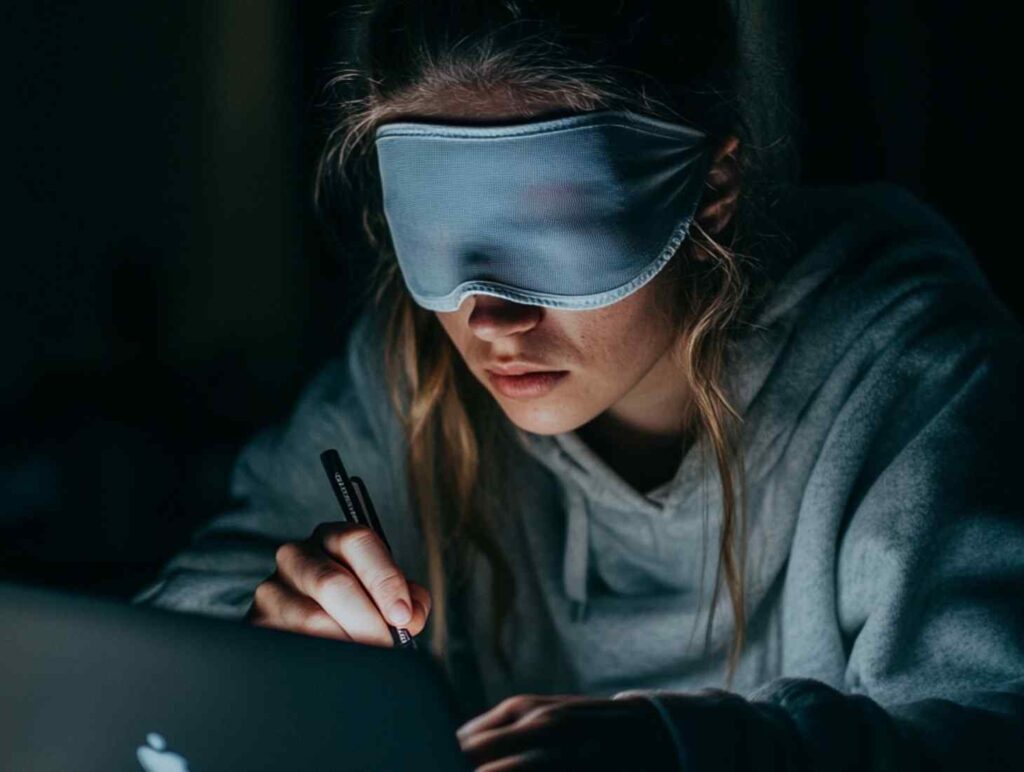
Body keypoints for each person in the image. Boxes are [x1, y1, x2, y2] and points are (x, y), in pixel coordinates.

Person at [132, 1, 1024, 769]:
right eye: (441, 235)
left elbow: (992, 728)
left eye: (552, 231)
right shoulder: (412, 375)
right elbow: (153, 657)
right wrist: (267, 652)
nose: (491, 321)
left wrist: (693, 755)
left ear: (712, 185)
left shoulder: (904, 361)